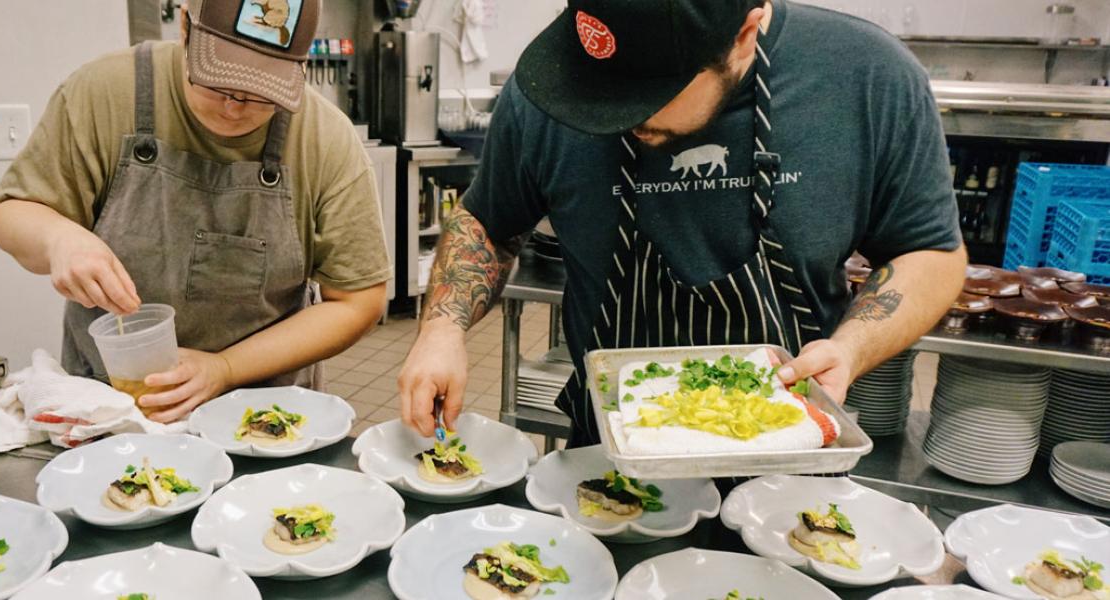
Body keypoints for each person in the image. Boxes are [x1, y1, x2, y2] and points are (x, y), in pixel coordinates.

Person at [398, 0, 966, 446]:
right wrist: (441, 329)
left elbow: (930, 252)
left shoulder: (867, 78)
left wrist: (851, 349)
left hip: (787, 451)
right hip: (609, 452)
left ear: (744, 36)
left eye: (646, 92)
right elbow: (487, 221)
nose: (612, 113)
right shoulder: (554, 84)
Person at [0, 0, 390, 423]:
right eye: (219, 83)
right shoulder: (105, 92)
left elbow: (358, 300)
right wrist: (59, 239)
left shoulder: (325, 139)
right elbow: (10, 212)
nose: (235, 107)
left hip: (261, 418)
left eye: (261, 92)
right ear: (184, 25)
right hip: (112, 410)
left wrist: (226, 368)